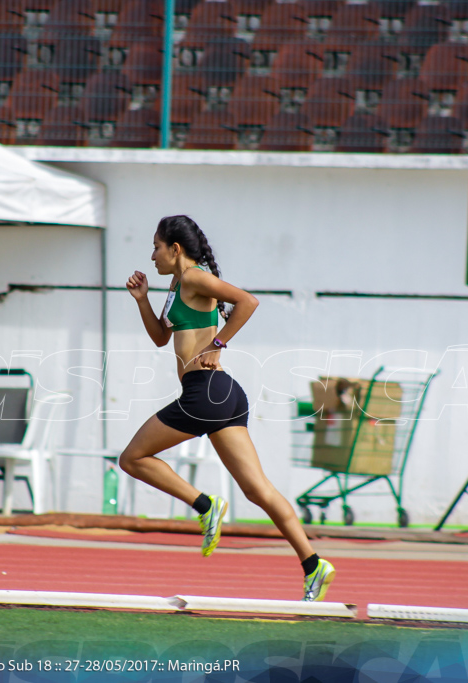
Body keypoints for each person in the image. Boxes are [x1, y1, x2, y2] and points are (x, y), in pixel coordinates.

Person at [122, 215, 336, 602]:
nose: (151, 255)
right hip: (223, 396)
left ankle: (205, 506)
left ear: (175, 249)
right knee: (258, 490)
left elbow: (247, 302)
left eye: (156, 247)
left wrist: (217, 345)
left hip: (205, 392)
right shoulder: (177, 284)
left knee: (133, 458)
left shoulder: (193, 277)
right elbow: (159, 338)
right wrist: (142, 301)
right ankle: (313, 564)